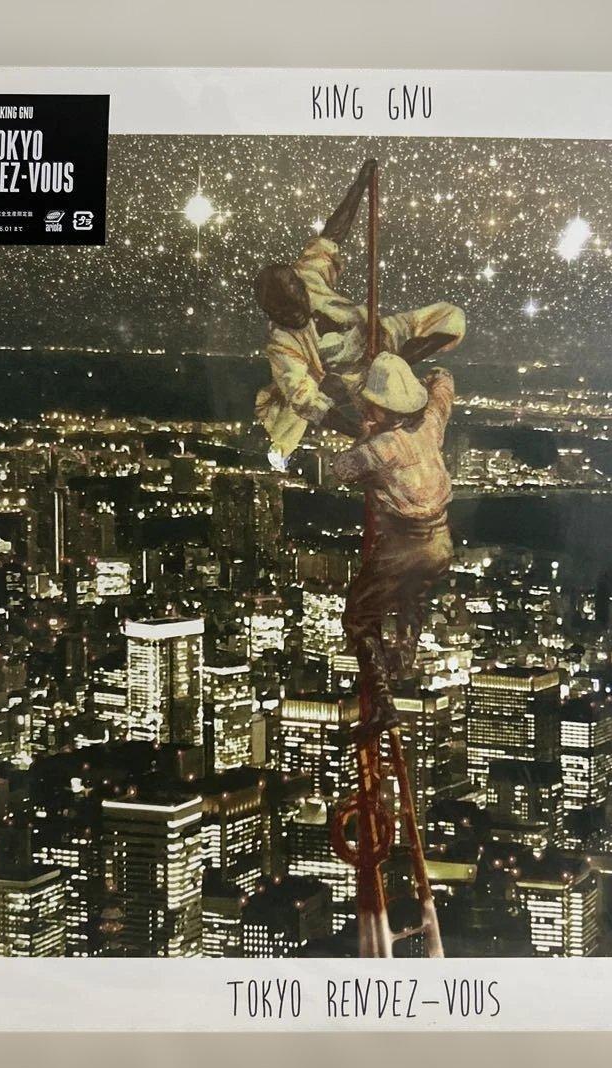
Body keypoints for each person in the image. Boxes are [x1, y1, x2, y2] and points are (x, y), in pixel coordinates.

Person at [253, 160, 465, 458]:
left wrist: (360, 185)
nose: (297, 312)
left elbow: (332, 234)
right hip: (356, 374)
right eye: (286, 311)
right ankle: (386, 372)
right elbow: (308, 401)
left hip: (380, 332)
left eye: (298, 298)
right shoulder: (282, 344)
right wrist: (357, 432)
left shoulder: (309, 275)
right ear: (273, 313)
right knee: (390, 411)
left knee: (451, 318)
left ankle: (398, 360)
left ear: (299, 285)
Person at [332, 352, 456, 731]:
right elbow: (443, 378)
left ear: (381, 409)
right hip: (441, 543)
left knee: (359, 618)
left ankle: (384, 706)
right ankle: (403, 662)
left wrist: (366, 434)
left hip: (403, 545)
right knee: (412, 595)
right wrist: (423, 380)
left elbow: (340, 469)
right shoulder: (431, 423)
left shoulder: (382, 447)